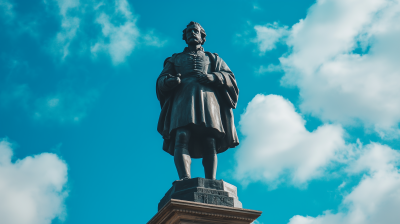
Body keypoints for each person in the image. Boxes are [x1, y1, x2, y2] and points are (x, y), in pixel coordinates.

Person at [156, 21, 239, 180]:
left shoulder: (213, 58)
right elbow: (161, 81)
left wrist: (214, 76)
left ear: (202, 36)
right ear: (185, 38)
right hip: (183, 99)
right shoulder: (175, 59)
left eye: (195, 31)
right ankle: (184, 179)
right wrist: (169, 82)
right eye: (188, 32)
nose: (191, 34)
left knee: (210, 140)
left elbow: (230, 77)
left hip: (208, 100)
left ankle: (211, 180)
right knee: (181, 135)